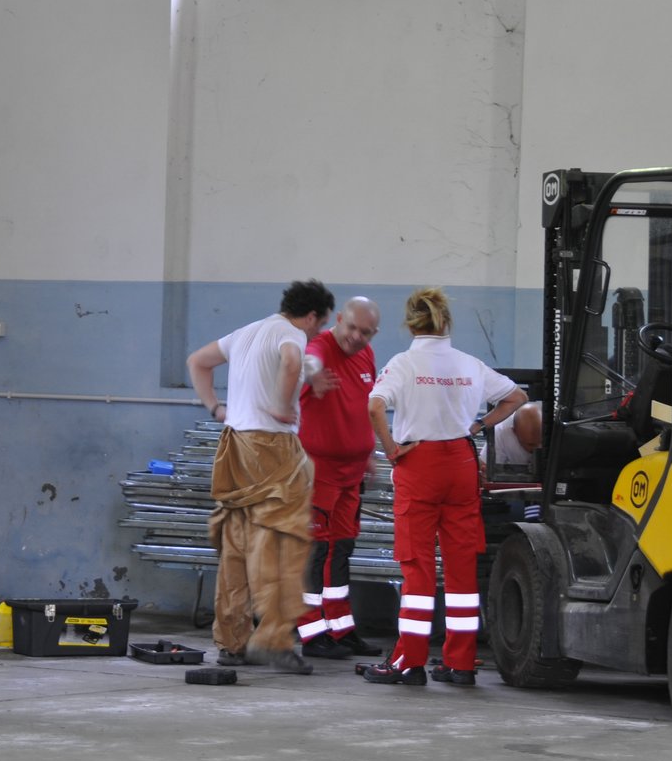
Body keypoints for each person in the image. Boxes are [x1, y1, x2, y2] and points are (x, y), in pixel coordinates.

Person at [364, 287, 526, 686]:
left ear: (410, 323)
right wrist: (479, 425)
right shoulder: (469, 363)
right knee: (460, 565)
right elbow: (517, 397)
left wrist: (390, 447)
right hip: (461, 462)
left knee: (417, 565)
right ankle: (461, 663)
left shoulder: (403, 364)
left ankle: (410, 661)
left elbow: (373, 405)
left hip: (419, 463)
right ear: (446, 322)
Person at [188, 279, 336, 675]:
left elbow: (197, 361)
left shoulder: (247, 332)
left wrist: (216, 407)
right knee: (282, 544)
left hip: (234, 444)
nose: (318, 332)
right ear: (310, 317)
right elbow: (290, 361)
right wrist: (281, 404)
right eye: (320, 325)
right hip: (273, 449)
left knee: (236, 546)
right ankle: (273, 640)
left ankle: (231, 642)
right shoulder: (292, 334)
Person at [295, 296, 384, 660]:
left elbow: (365, 403)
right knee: (314, 552)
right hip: (319, 474)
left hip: (351, 474)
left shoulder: (366, 355)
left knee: (341, 549)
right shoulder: (319, 347)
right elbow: (306, 359)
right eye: (351, 328)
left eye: (366, 332)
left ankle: (340, 627)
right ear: (340, 321)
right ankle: (310, 631)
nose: (357, 337)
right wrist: (312, 373)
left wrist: (368, 453)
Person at [487, 400, 542, 467]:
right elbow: (485, 467)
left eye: (541, 442)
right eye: (531, 444)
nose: (538, 447)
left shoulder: (556, 427)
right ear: (515, 432)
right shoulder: (501, 431)